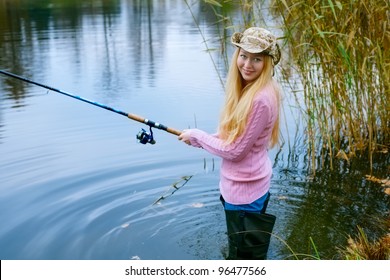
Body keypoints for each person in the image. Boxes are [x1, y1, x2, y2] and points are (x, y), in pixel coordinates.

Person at [178, 27, 281, 260]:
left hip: (245, 194)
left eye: (257, 59)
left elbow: (234, 151)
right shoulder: (253, 89)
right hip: (249, 186)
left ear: (268, 62)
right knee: (247, 251)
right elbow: (237, 138)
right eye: (244, 56)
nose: (247, 64)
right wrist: (201, 139)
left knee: (241, 259)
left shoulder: (260, 99)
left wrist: (198, 135)